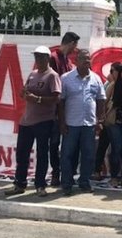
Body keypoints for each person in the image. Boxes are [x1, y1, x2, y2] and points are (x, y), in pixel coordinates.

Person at [4, 46, 61, 197]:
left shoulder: (52, 76)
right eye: (36, 57)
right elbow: (25, 90)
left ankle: (40, 185)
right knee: (22, 153)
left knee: (42, 153)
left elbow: (56, 98)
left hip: (43, 120)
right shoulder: (33, 74)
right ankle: (19, 183)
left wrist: (38, 99)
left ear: (47, 59)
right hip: (27, 120)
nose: (38, 60)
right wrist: (23, 93)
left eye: (41, 57)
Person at [58, 49, 106, 196]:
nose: (87, 61)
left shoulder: (96, 79)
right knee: (67, 155)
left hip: (89, 125)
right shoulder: (66, 78)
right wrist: (62, 122)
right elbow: (61, 102)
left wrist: (99, 119)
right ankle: (66, 184)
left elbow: (101, 99)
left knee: (88, 155)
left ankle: (84, 182)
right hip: (71, 124)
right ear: (76, 61)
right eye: (83, 59)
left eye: (88, 58)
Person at [48, 31, 79, 186]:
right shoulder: (53, 58)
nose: (75, 49)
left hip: (67, 108)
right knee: (54, 143)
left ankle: (67, 172)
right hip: (54, 108)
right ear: (72, 43)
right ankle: (55, 172)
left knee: (68, 143)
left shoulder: (68, 61)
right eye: (75, 45)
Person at [92, 62, 122, 181]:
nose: (110, 74)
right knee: (103, 147)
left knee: (118, 148)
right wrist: (101, 118)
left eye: (112, 71)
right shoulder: (109, 85)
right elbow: (102, 103)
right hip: (108, 121)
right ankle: (97, 170)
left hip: (121, 122)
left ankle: (117, 172)